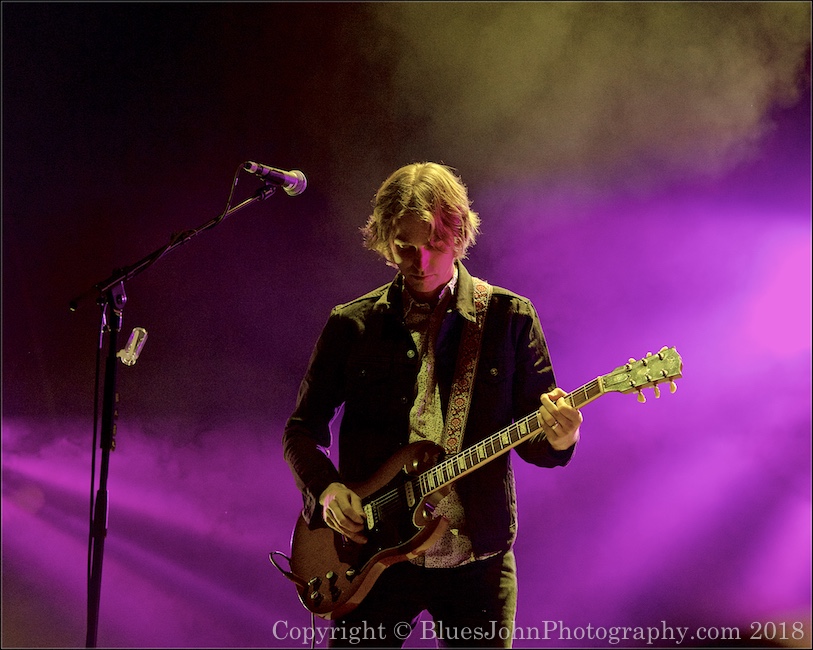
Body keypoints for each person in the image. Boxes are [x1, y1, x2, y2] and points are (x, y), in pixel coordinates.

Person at [282, 162, 582, 648]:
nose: (419, 261)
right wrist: (328, 490)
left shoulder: (509, 318)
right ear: (384, 238)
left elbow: (539, 443)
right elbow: (301, 429)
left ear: (459, 234)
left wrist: (562, 436)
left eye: (435, 244)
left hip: (475, 559)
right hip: (370, 555)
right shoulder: (352, 324)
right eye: (404, 245)